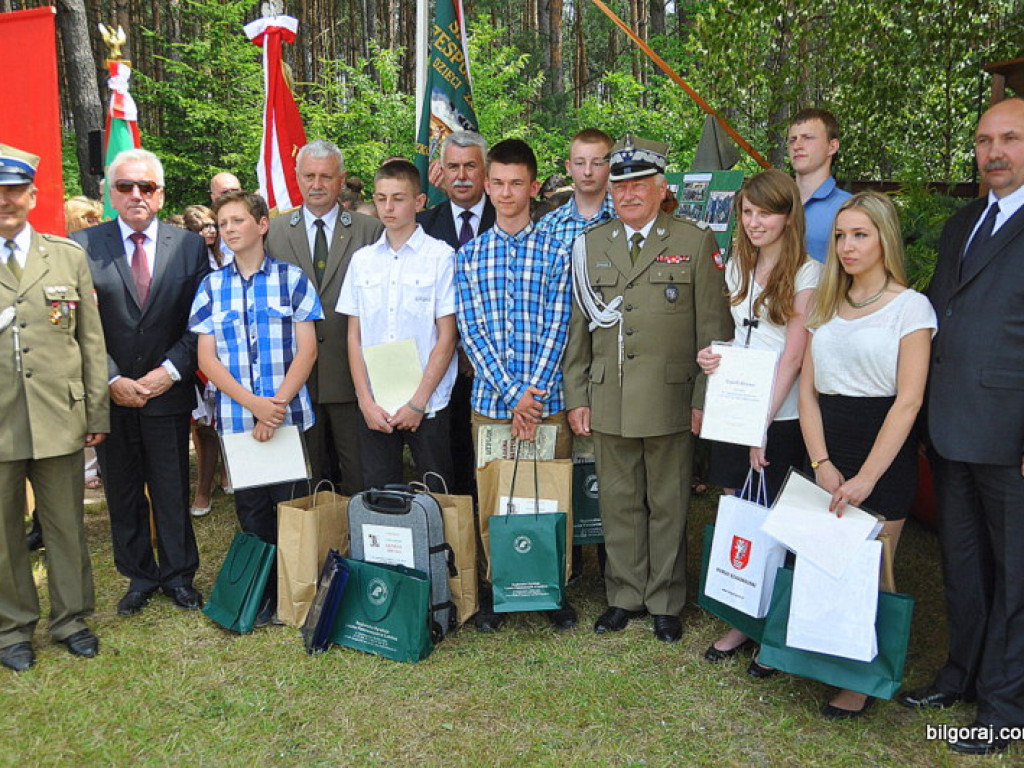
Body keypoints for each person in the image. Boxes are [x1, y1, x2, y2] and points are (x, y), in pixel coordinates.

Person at [563, 135, 732, 643]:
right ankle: (624, 595)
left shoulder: (694, 242)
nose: (628, 194)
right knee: (618, 503)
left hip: (670, 398)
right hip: (609, 395)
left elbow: (714, 333)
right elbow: (578, 330)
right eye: (620, 186)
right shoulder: (591, 244)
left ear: (662, 188)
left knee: (668, 503)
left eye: (639, 184)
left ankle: (665, 600)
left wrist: (702, 401)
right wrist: (577, 395)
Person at [897, 97, 1024, 755]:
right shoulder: (962, 222)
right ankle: (960, 677)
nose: (994, 152)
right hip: (950, 428)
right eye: (984, 140)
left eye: (1010, 138)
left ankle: (1005, 709)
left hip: (1010, 437)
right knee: (964, 566)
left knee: (1015, 579)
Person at [800, 190, 935, 719]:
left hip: (883, 453)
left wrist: (866, 478)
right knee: (824, 561)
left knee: (873, 568)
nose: (847, 246)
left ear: (885, 238)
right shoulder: (825, 303)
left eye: (860, 234)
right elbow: (807, 394)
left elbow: (909, 401)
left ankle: (861, 679)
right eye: (840, 236)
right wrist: (821, 463)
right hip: (827, 448)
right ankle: (822, 656)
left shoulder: (911, 307)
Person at [72, 148, 210, 616]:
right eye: (126, 186)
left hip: (167, 390)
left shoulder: (189, 246)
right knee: (123, 490)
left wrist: (168, 372)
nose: (136, 194)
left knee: (171, 488)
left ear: (161, 194)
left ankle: (178, 576)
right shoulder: (83, 246)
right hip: (111, 395)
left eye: (146, 187)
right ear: (110, 194)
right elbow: (80, 325)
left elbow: (201, 320)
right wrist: (110, 376)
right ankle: (139, 576)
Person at [697, 169, 819, 664]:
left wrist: (762, 424)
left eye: (765, 213)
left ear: (788, 216)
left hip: (778, 415)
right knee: (736, 508)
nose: (753, 222)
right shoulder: (737, 266)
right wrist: (714, 356)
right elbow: (739, 336)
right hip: (736, 406)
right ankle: (740, 618)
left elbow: (793, 355)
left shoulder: (808, 274)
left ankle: (773, 628)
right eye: (747, 212)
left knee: (775, 516)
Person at [455, 138, 577, 632]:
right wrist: (512, 396)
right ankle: (497, 586)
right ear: (487, 185)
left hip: (547, 401)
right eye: (499, 183)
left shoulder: (557, 252)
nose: (507, 194)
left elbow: (559, 325)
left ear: (534, 187)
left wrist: (532, 396)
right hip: (491, 402)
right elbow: (471, 330)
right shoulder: (469, 256)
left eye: (516, 184)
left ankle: (551, 587)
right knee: (496, 496)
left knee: (548, 496)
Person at [0, 143, 110, 671]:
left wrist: (97, 411)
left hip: (60, 415)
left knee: (66, 524)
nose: (6, 200)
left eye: (15, 190)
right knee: (5, 534)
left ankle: (71, 619)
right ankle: (12, 627)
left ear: (33, 195)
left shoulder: (66, 256)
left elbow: (90, 341)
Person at [190, 190, 321, 625]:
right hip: (238, 421)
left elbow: (307, 351)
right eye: (223, 223)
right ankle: (261, 594)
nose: (228, 229)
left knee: (291, 508)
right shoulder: (211, 287)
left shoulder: (291, 279)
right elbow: (207, 359)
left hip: (286, 417)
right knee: (252, 510)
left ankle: (293, 592)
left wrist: (275, 407)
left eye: (237, 220)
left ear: (262, 224)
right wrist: (254, 407)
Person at [265, 139, 383, 495]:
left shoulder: (369, 231)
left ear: (341, 179)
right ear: (297, 177)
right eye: (309, 176)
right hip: (294, 377)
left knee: (360, 475)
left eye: (326, 177)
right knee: (305, 478)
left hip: (351, 375)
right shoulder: (274, 232)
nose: (316, 185)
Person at [338, 160, 458, 492]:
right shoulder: (362, 260)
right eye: (381, 198)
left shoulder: (441, 257)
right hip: (376, 402)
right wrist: (365, 401)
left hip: (428, 402)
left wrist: (418, 402)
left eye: (398, 198)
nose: (388, 207)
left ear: (419, 201)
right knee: (379, 494)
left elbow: (447, 336)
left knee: (438, 493)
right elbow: (354, 337)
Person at [536, 128, 617, 582]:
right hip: (561, 355)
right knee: (565, 456)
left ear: (610, 166)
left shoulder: (623, 219)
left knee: (607, 459)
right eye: (579, 162)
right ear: (568, 167)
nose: (588, 171)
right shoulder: (549, 227)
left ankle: (610, 561)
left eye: (598, 161)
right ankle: (568, 562)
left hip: (611, 356)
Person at [418, 130, 497, 498]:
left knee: (494, 462)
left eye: (470, 166)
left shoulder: (507, 217)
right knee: (447, 462)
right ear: (441, 172)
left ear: (485, 171)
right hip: (440, 366)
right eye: (453, 167)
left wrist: (474, 351)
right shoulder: (421, 227)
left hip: (496, 367)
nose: (461, 176)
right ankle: (456, 524)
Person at [182, 204, 227, 517]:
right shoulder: (183, 263)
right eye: (201, 228)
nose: (209, 231)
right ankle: (202, 489)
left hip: (228, 348)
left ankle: (230, 472)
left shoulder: (229, 258)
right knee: (204, 425)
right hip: (197, 351)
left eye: (212, 225)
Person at [787, 108, 851, 263]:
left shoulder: (849, 207)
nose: (797, 146)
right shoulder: (776, 202)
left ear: (832, 147)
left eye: (807, 138)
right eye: (792, 140)